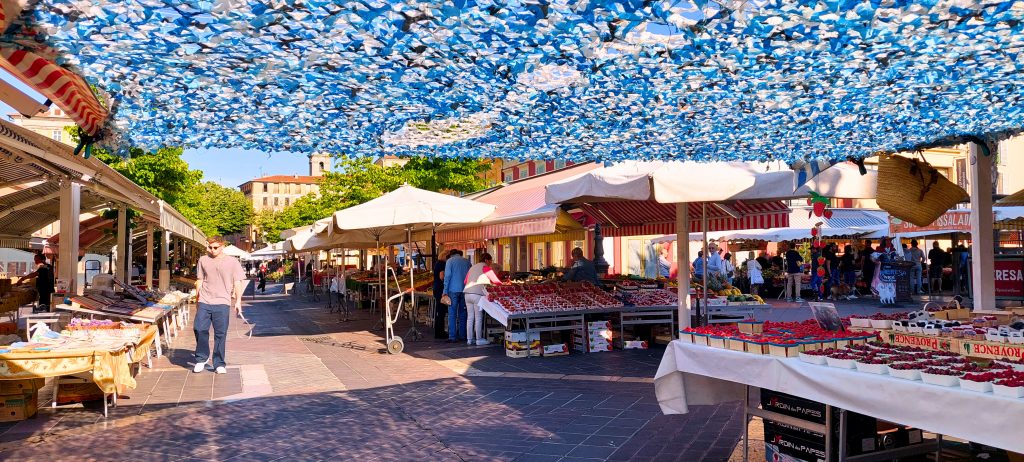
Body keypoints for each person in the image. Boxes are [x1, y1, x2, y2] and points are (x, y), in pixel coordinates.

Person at [193, 236, 246, 374]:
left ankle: (219, 363)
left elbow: (238, 282)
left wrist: (238, 301)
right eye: (210, 247)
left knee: (220, 334)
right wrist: (197, 299)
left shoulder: (232, 262)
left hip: (222, 301)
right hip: (204, 299)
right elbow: (199, 280)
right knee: (199, 328)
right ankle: (201, 358)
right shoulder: (203, 260)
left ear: (222, 246)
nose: (212, 250)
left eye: (215, 247)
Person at [464, 253, 502, 346]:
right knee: (478, 317)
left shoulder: (472, 267)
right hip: (477, 294)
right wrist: (503, 284)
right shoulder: (485, 267)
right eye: (490, 261)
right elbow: (495, 280)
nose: (490, 263)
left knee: (470, 317)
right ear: (486, 260)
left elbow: (465, 281)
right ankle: (478, 339)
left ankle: (469, 339)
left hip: (467, 293)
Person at [442, 249, 471, 343]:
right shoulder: (467, 262)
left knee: (452, 314)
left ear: (451, 254)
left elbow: (447, 276)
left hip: (452, 290)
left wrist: (445, 291)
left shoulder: (450, 261)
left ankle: (452, 337)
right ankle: (463, 335)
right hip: (464, 290)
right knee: (463, 313)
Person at [432, 251, 448, 340]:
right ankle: (440, 332)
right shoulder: (442, 264)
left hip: (436, 288)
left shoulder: (438, 263)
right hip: (440, 289)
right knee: (441, 311)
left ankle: (438, 331)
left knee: (439, 311)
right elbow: (442, 276)